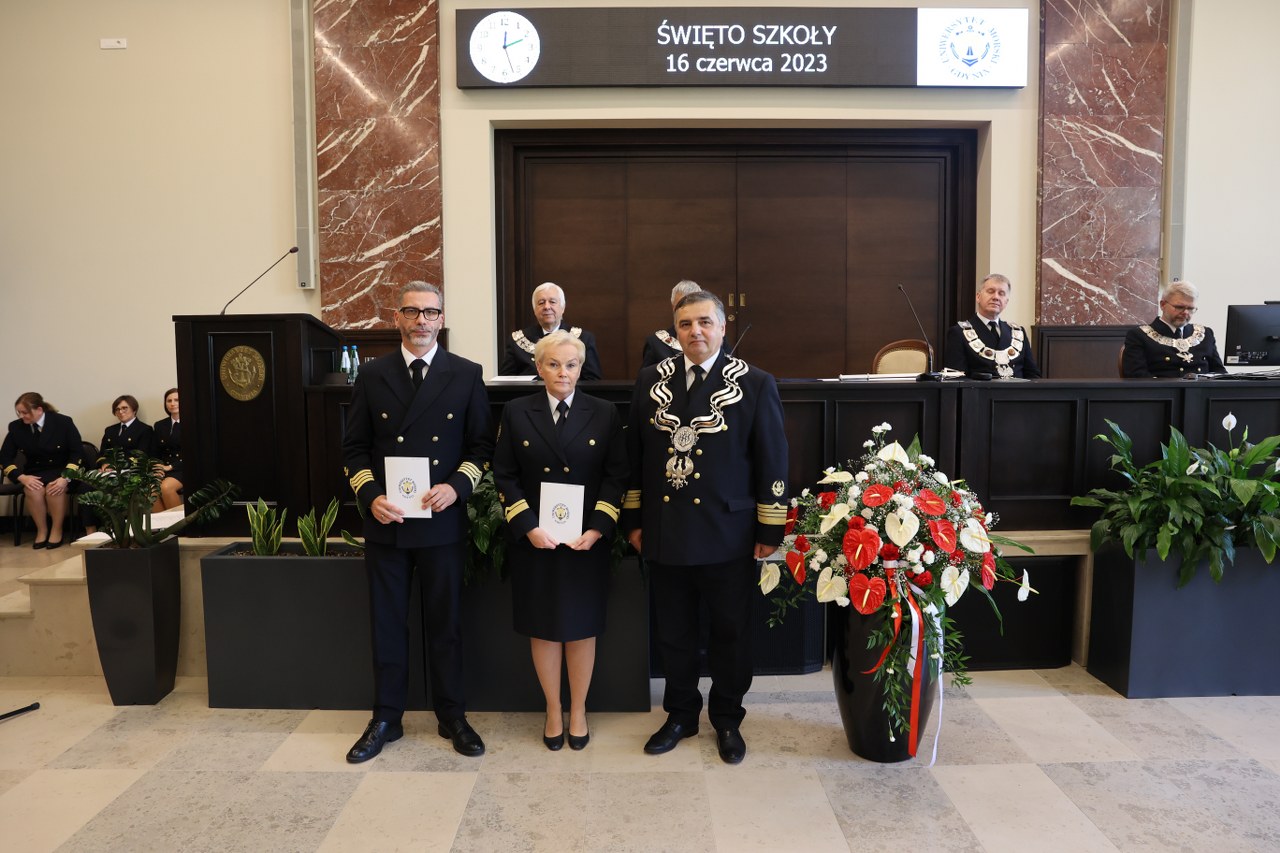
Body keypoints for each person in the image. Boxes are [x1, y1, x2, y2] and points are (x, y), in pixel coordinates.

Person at [623, 290, 789, 765]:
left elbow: (772, 458)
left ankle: (728, 718)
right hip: (666, 530)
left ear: (721, 327)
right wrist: (634, 519)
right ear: (674, 332)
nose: (695, 331)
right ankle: (680, 715)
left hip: (728, 533)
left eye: (704, 322)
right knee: (673, 632)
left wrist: (769, 529)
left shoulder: (754, 382)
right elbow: (634, 455)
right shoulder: (651, 379)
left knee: (730, 632)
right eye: (685, 324)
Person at [341, 281, 494, 762]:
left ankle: (453, 715)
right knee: (387, 625)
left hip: (440, 521)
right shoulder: (373, 375)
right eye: (412, 312)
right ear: (397, 318)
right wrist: (370, 495)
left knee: (445, 624)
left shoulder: (466, 373)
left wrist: (457, 486)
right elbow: (353, 449)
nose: (421, 321)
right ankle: (386, 717)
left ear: (441, 319)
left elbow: (481, 448)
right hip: (387, 521)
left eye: (430, 312)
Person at [492, 331, 628, 751]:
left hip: (585, 541)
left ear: (581, 368)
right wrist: (528, 526)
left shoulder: (604, 413)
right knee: (544, 628)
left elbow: (617, 475)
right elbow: (505, 475)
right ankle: (554, 709)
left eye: (570, 364)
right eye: (553, 364)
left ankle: (579, 709)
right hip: (537, 540)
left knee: (582, 628)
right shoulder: (517, 411)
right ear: (539, 367)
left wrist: (598, 528)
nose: (562, 372)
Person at [1, 392, 87, 549]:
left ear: (39, 410)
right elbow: (4, 457)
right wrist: (21, 477)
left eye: (25, 412)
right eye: (19, 412)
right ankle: (42, 530)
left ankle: (57, 529)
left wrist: (65, 477)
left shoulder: (63, 422)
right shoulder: (16, 427)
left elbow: (77, 452)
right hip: (36, 471)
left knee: (54, 489)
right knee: (32, 490)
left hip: (63, 470)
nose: (21, 416)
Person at [1122, 280, 1226, 378]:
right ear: (1163, 305)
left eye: (1190, 308)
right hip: (1162, 391)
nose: (1185, 312)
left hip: (1201, 391)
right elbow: (1136, 377)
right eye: (1179, 307)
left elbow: (1220, 373)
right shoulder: (1139, 335)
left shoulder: (1205, 334)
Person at [945, 274, 1042, 379]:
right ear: (978, 297)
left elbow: (1033, 375)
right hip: (980, 389)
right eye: (990, 291)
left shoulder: (1018, 333)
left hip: (1017, 389)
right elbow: (956, 379)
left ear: (1006, 302)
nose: (996, 297)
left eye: (1001, 293)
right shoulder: (959, 332)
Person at [500, 281, 603, 380]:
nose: (547, 307)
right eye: (541, 303)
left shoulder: (583, 339)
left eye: (552, 302)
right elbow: (505, 382)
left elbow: (592, 382)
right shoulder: (517, 341)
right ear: (535, 310)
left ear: (563, 308)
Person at [639, 279, 702, 368]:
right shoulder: (656, 343)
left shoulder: (713, 339)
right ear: (673, 308)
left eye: (693, 305)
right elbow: (647, 376)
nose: (687, 311)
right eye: (682, 305)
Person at [97, 395, 154, 469]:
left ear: (134, 409)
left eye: (124, 408)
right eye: (117, 409)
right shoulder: (110, 430)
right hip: (108, 471)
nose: (120, 412)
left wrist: (115, 466)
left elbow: (141, 457)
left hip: (131, 471)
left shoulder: (145, 429)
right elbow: (102, 454)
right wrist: (104, 464)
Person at [151, 388, 183, 511]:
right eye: (169, 401)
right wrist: (156, 467)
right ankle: (164, 523)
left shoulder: (193, 422)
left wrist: (171, 467)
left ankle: (180, 523)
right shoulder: (160, 425)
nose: (172, 403)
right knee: (150, 490)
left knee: (165, 488)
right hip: (163, 468)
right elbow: (155, 451)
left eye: (177, 400)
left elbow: (194, 453)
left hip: (184, 468)